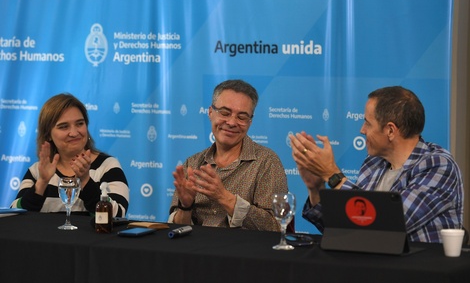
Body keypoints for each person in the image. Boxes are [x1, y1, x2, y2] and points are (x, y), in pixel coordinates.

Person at [289, 86, 463, 243]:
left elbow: (390, 225)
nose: (362, 130)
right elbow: (349, 230)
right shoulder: (374, 163)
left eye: (367, 123)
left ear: (390, 130)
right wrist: (316, 188)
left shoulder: (437, 164)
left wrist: (333, 175)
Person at [168, 79, 288, 231]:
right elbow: (176, 230)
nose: (232, 122)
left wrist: (224, 197)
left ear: (250, 121)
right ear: (210, 112)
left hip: (243, 253)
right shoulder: (192, 164)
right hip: (195, 251)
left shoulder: (267, 162)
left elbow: (277, 227)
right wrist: (185, 207)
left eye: (242, 117)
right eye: (225, 113)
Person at [11, 93, 129, 217]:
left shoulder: (107, 166)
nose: (74, 133)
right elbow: (16, 216)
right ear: (48, 135)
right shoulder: (38, 171)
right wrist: (42, 183)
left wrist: (85, 181)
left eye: (79, 124)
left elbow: (117, 215)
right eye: (63, 127)